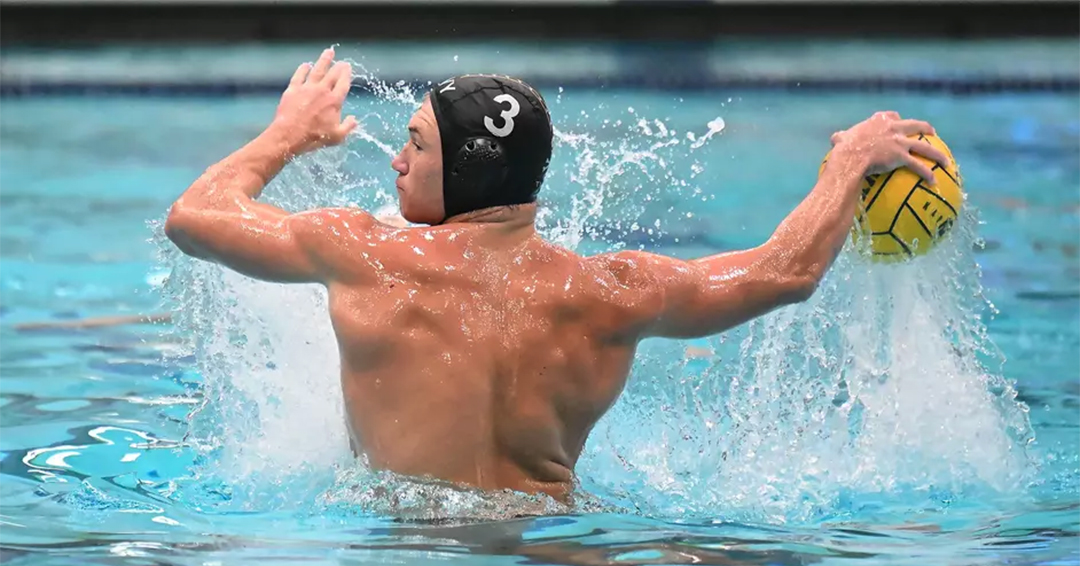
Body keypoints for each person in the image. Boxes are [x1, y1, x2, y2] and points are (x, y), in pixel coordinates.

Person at [163, 47, 951, 502]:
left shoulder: (365, 253)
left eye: (417, 146)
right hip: (556, 542)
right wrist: (849, 163)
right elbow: (786, 272)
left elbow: (196, 216)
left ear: (469, 173)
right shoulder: (610, 291)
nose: (397, 161)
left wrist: (286, 136)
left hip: (405, 541)